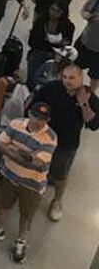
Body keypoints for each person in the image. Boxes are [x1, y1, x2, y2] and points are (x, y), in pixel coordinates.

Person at [0, 101, 57, 264]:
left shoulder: (50, 138)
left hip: (31, 184)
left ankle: (21, 241)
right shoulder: (15, 123)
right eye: (35, 116)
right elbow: (0, 144)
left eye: (43, 119)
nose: (38, 121)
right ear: (29, 113)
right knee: (3, 204)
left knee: (27, 214)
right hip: (8, 175)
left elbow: (38, 164)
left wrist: (13, 151)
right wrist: (26, 155)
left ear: (48, 120)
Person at [30, 63, 98, 222]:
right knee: (36, 165)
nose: (67, 81)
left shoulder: (89, 96)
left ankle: (57, 200)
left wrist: (83, 104)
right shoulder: (52, 88)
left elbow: (93, 124)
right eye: (65, 77)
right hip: (43, 137)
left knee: (60, 174)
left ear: (81, 78)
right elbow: (35, 105)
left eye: (72, 78)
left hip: (66, 143)